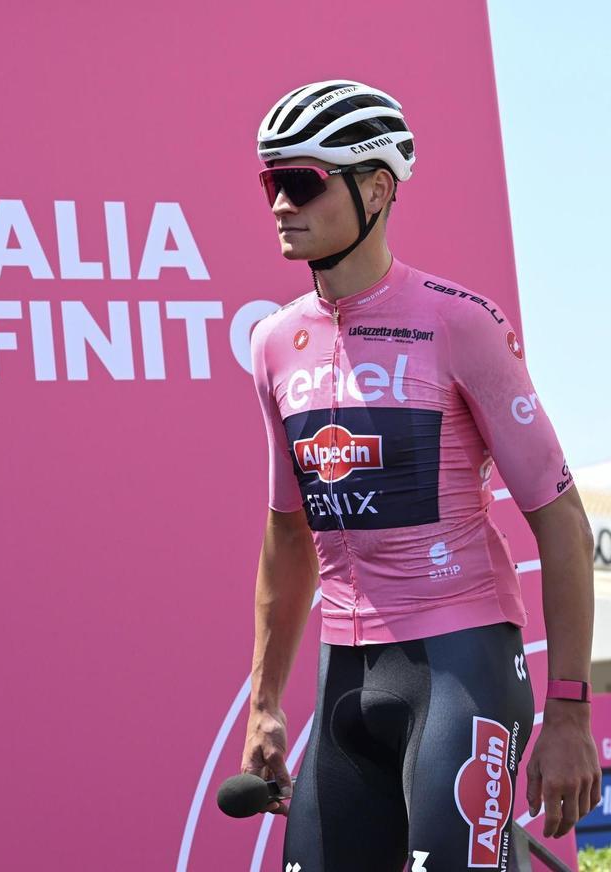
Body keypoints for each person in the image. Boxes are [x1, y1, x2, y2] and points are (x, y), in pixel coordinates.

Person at [241, 79, 601, 871]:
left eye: (301, 182)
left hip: (460, 667)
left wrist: (570, 712)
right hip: (344, 679)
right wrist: (265, 700)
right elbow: (287, 529)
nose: (278, 202)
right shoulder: (273, 343)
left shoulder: (459, 322)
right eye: (270, 182)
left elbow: (562, 522)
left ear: (377, 188)